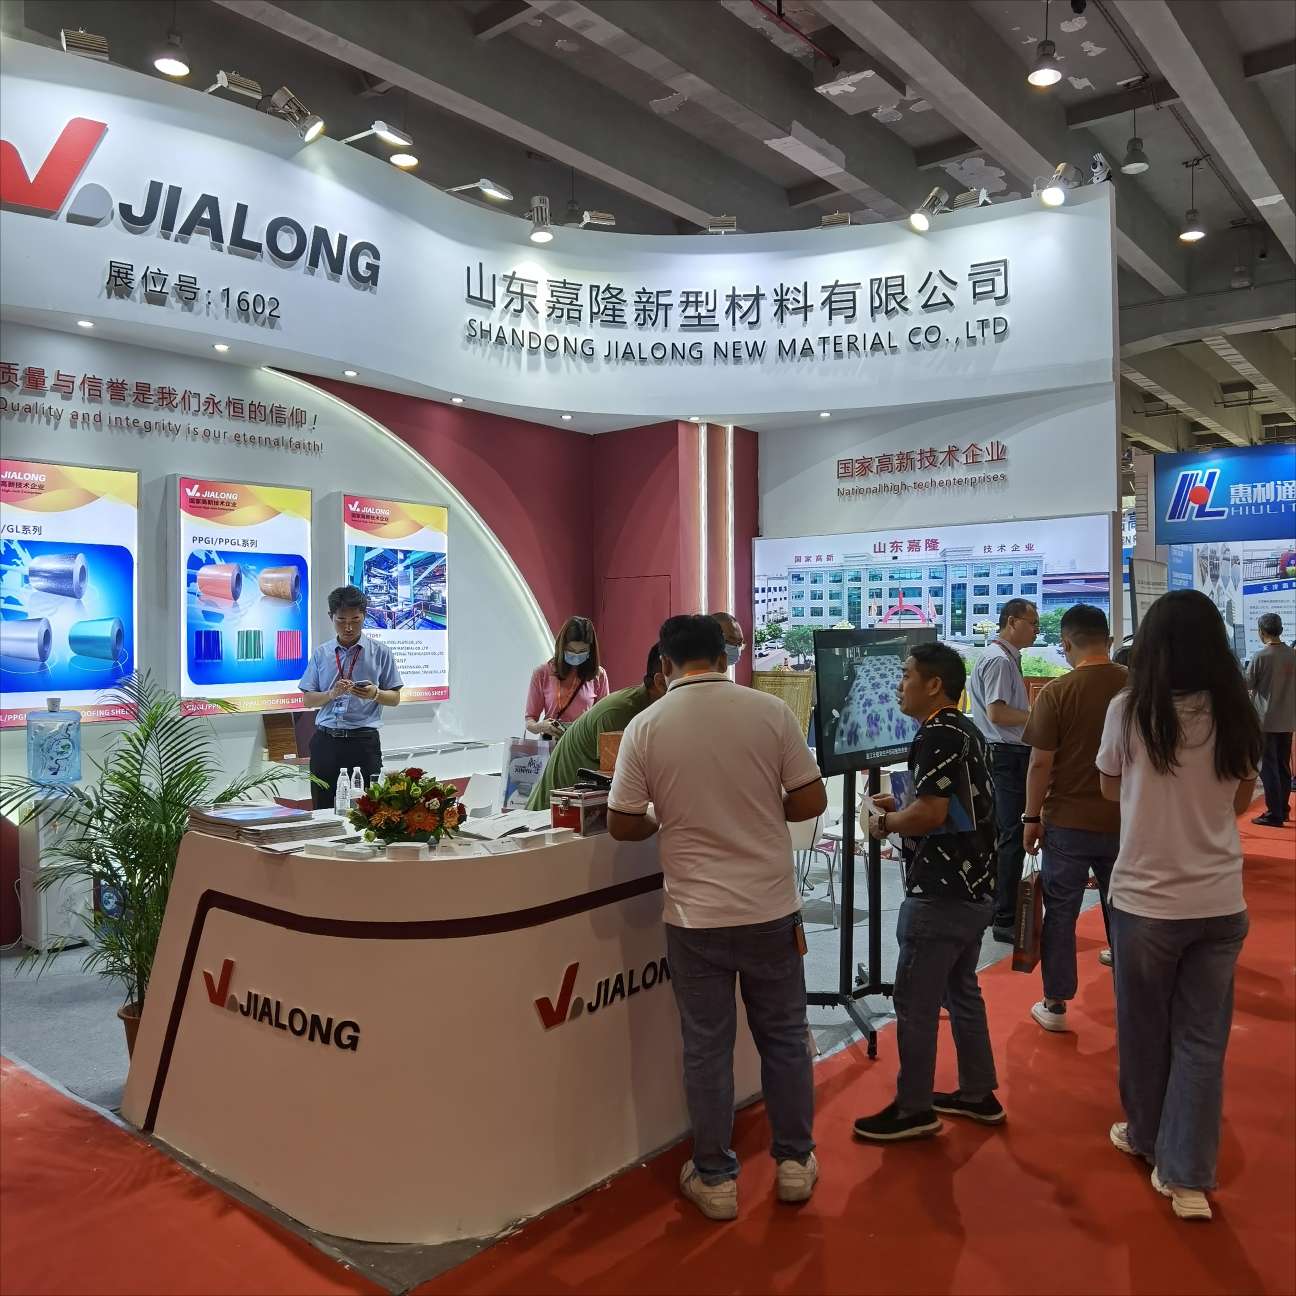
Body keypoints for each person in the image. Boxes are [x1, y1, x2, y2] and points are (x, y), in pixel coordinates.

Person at [607, 615, 826, 1221]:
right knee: (785, 1037)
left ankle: (715, 1178)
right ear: (725, 657)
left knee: (707, 1048)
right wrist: (760, 808)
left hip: (695, 917)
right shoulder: (769, 712)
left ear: (665, 665)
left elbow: (621, 822)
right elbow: (810, 798)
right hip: (771, 909)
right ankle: (794, 1163)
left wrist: (665, 819)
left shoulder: (646, 725)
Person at [1097, 589, 1261, 1223]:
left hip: (1146, 898)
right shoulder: (1236, 711)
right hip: (1220, 898)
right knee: (1201, 1039)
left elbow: (1109, 788)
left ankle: (1145, 1136)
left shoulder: (1129, 709)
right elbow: (1241, 798)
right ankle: (1187, 1175)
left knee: (1143, 1030)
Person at [853, 643, 1000, 1142]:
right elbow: (956, 805)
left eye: (906, 675)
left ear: (934, 684)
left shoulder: (936, 733)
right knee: (962, 990)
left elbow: (932, 815)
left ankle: (914, 1107)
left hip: (940, 891)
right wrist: (903, 804)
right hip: (974, 886)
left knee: (915, 1003)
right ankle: (978, 1093)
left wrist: (886, 823)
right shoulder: (964, 729)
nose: (898, 686)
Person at [1021, 605, 1127, 1032]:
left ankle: (1055, 1003)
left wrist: (1031, 817)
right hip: (1125, 820)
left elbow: (1040, 763)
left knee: (1061, 912)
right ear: (1109, 640)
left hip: (1066, 821)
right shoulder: (1136, 687)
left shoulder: (1057, 692)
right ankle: (1132, 995)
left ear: (1066, 644)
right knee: (1124, 909)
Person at [968, 597, 1039, 942]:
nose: (1036, 630)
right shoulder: (998, 660)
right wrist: (1039, 716)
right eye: (1032, 623)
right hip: (1006, 755)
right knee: (1011, 836)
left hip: (1006, 754)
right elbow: (998, 714)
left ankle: (999, 909)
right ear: (1012, 621)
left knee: (1006, 835)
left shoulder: (1004, 657)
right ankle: (1005, 917)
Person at [299, 585, 403, 809]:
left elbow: (395, 698)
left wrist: (375, 693)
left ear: (364, 616)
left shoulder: (381, 652)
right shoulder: (321, 653)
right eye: (341, 620)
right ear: (331, 617)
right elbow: (308, 700)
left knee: (370, 809)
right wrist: (331, 694)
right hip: (326, 742)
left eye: (355, 620)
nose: (348, 627)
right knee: (323, 808)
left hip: (363, 742)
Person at [526, 645, 667, 809]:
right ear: (660, 682)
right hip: (552, 813)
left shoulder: (648, 713)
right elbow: (621, 789)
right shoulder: (620, 714)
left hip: (580, 811)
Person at [1245, 612, 1295, 826]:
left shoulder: (1260, 657)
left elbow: (1247, 684)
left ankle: (1274, 813)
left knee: (1268, 768)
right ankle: (1283, 809)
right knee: (1283, 766)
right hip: (1288, 719)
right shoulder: (1293, 654)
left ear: (1261, 631)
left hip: (1265, 721)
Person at [524, 616, 609, 739]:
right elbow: (530, 720)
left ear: (590, 650)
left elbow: (603, 717)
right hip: (551, 743)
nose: (576, 655)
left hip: (583, 743)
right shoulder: (542, 673)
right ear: (562, 646)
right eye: (571, 650)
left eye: (582, 651)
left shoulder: (598, 675)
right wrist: (541, 726)